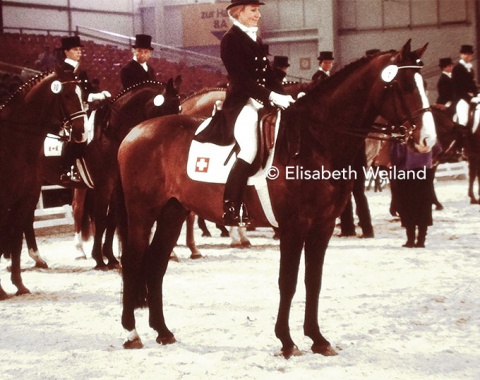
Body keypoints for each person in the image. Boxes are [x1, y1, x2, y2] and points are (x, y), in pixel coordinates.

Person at [219, 0, 295, 226]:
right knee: (250, 148)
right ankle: (231, 206)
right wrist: (271, 96)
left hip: (261, 101)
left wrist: (285, 96)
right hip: (241, 103)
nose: (258, 15)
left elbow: (269, 75)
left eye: (258, 10)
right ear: (238, 12)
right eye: (253, 10)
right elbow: (241, 80)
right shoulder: (230, 40)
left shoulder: (255, 38)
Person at [58, 36, 111, 182]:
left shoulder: (80, 70)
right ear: (66, 52)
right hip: (70, 113)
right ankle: (67, 168)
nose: (79, 52)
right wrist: (94, 97)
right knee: (80, 134)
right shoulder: (64, 71)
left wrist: (100, 93)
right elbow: (71, 95)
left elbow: (87, 90)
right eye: (75, 50)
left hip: (83, 109)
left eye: (80, 50)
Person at [390, 143, 439, 248]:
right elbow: (437, 149)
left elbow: (396, 158)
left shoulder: (401, 137)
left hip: (406, 174)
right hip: (425, 172)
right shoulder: (427, 134)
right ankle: (421, 240)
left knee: (408, 207)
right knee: (424, 207)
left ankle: (410, 239)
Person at [339, 142, 374, 238]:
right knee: (358, 195)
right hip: (359, 165)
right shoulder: (359, 136)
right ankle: (366, 229)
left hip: (349, 165)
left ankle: (348, 229)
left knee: (347, 194)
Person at [451, 44, 479, 127]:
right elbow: (457, 87)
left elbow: (472, 85)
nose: (467, 56)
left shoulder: (470, 69)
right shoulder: (457, 68)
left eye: (469, 54)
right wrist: (470, 98)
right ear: (461, 55)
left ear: (471, 55)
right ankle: (462, 138)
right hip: (461, 98)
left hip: (471, 97)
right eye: (465, 54)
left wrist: (477, 94)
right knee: (464, 120)